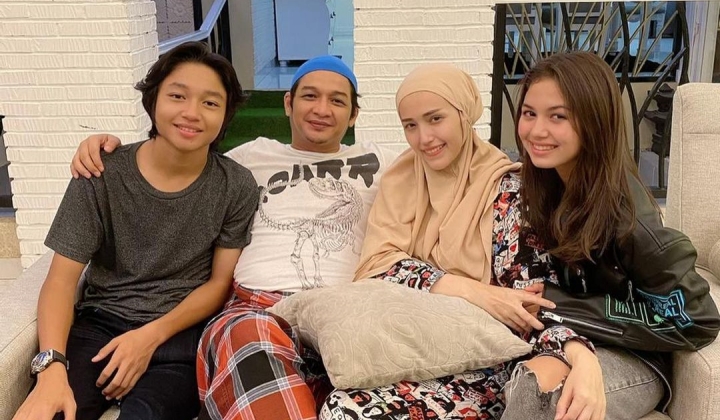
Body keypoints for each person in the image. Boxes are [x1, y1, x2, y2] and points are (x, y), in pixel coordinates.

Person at [68, 55, 399, 419]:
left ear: (353, 115)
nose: (322, 109)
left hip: (345, 308)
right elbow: (179, 151)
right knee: (248, 336)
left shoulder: (386, 161)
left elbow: (443, 164)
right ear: (288, 103)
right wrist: (104, 146)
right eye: (309, 96)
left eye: (337, 101)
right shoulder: (247, 159)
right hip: (257, 309)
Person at [13, 41, 258, 420]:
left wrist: (149, 337)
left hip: (179, 334)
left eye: (210, 102)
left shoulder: (235, 185)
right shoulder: (100, 171)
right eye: (177, 96)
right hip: (100, 323)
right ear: (153, 100)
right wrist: (51, 369)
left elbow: (218, 283)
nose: (192, 113)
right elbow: (61, 280)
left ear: (225, 115)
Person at [319, 63, 571, 420]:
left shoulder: (509, 191)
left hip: (491, 362)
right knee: (340, 408)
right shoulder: (401, 180)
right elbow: (376, 268)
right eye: (410, 125)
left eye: (435, 119)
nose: (424, 138)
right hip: (412, 349)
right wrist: (470, 290)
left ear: (464, 114)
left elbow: (526, 306)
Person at [500, 51, 720, 420]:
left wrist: (570, 308)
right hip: (570, 337)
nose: (536, 131)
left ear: (595, 121)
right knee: (528, 385)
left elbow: (699, 320)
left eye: (558, 116)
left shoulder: (632, 222)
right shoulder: (544, 187)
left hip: (634, 356)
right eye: (529, 113)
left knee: (550, 403)